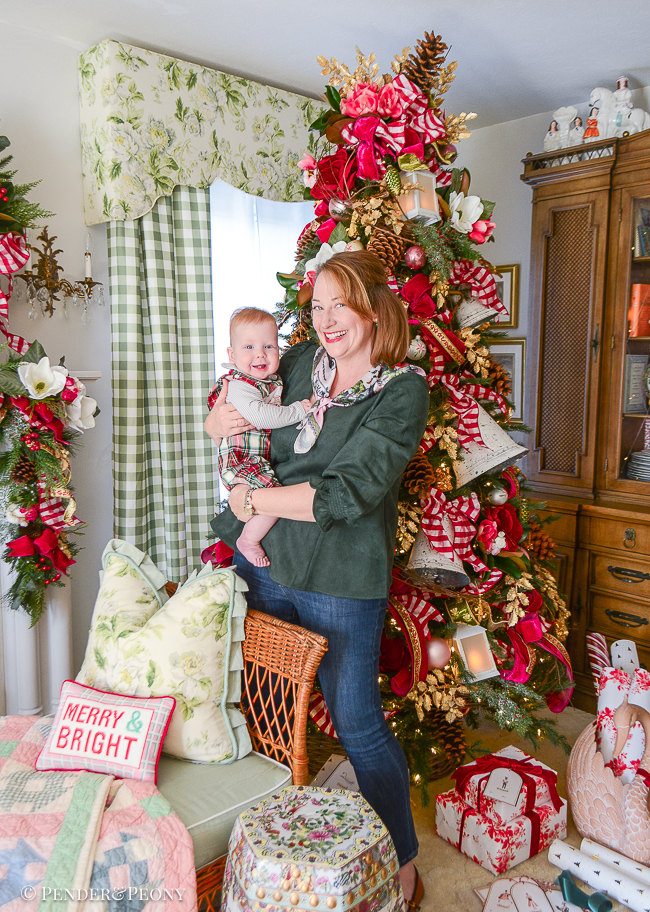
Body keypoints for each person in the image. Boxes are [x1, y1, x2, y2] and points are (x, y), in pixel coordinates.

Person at [206, 251, 430, 910]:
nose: (326, 319)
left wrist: (251, 504)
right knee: (267, 710)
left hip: (339, 574)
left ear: (375, 306)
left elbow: (345, 494)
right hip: (268, 560)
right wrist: (216, 418)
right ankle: (275, 842)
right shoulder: (304, 361)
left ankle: (403, 856)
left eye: (341, 303)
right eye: (318, 305)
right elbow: (238, 397)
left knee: (358, 721)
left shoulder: (402, 389)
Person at [207, 306, 311, 567]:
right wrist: (299, 409)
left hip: (250, 458)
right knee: (273, 497)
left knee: (270, 497)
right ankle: (248, 540)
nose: (260, 354)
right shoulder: (241, 384)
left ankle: (250, 537)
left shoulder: (267, 381)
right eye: (249, 347)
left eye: (269, 346)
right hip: (241, 459)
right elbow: (263, 417)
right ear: (231, 354)